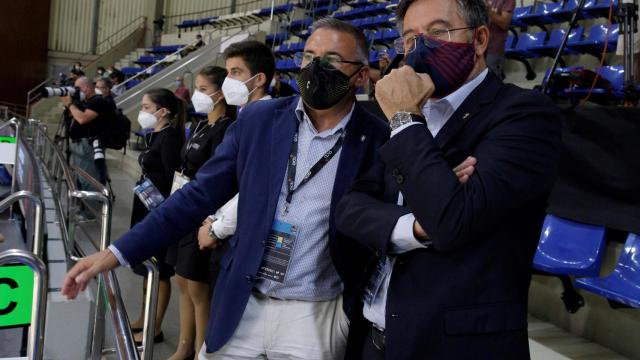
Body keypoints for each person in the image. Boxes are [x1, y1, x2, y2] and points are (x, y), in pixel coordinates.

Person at [62, 18, 389, 359]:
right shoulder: (260, 121)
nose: (314, 68)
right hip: (243, 303)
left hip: (315, 316)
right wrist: (118, 252)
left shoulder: (378, 140)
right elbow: (198, 195)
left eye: (331, 60)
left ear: (362, 75)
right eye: (308, 56)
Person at [335, 0, 563, 359]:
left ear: (480, 39)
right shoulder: (404, 111)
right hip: (374, 338)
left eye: (438, 32)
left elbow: (450, 221)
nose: (420, 47)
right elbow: (350, 207)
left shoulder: (524, 115)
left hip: (456, 347)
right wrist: (415, 225)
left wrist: (406, 122)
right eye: (409, 38)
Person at [166, 66, 236, 360]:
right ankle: (184, 345)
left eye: (203, 89)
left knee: (197, 287)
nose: (197, 95)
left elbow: (224, 178)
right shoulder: (198, 125)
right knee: (181, 280)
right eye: (196, 88)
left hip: (205, 215)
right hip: (185, 206)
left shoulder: (227, 128)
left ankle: (200, 353)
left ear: (220, 93)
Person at [127, 88, 186, 346]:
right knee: (147, 270)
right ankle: (143, 317)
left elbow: (174, 177)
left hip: (160, 211)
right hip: (145, 207)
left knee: (159, 272)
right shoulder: (155, 135)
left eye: (147, 108)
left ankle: (155, 327)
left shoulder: (171, 137)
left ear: (163, 112)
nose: (142, 112)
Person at [60, 76, 116, 190]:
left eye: (77, 88)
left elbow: (82, 118)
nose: (75, 91)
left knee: (88, 180)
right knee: (80, 177)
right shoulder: (87, 101)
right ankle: (82, 204)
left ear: (86, 88)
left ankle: (91, 205)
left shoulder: (98, 101)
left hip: (88, 147)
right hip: (80, 145)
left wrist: (70, 104)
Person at [221, 40, 275, 107]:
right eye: (227, 72)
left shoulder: (267, 115)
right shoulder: (245, 112)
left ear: (259, 79)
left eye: (236, 72)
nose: (228, 79)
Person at [485, 0, 514, 79]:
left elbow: (504, 23)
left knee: (492, 79)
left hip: (494, 47)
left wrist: (488, 10)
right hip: (480, 46)